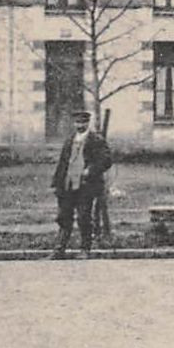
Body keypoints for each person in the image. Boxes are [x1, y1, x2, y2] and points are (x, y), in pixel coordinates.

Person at [51, 110, 112, 258]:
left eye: (83, 122)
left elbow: (106, 160)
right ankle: (59, 250)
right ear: (74, 123)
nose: (80, 125)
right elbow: (62, 164)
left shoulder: (96, 140)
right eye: (77, 122)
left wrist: (90, 170)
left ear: (88, 123)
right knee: (64, 217)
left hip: (85, 186)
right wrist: (57, 184)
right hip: (68, 185)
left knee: (84, 217)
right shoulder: (70, 140)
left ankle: (85, 249)